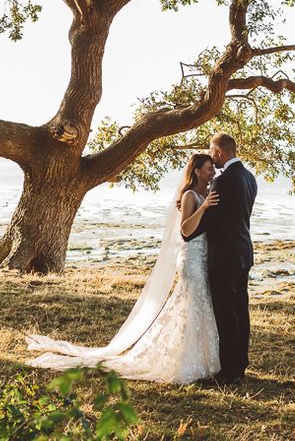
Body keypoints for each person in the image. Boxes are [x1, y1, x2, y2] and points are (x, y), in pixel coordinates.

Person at [25, 153, 221, 384]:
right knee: (192, 304)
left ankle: (201, 359)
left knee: (198, 305)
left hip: (203, 256)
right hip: (191, 259)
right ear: (197, 171)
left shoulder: (204, 194)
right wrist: (204, 207)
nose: (213, 172)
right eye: (209, 168)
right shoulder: (190, 196)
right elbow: (186, 230)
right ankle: (185, 361)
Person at [183, 132, 258, 383]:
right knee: (240, 310)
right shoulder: (250, 177)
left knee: (226, 313)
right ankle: (240, 364)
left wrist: (192, 230)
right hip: (243, 253)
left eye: (212, 151)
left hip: (224, 257)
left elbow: (211, 220)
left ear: (219, 152)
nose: (212, 160)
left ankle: (228, 371)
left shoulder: (224, 181)